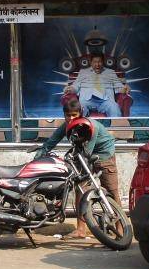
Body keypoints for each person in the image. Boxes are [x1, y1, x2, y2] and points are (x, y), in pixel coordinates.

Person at [34, 98, 122, 240]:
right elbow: (51, 142)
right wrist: (38, 156)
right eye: (68, 115)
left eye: (74, 115)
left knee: (111, 191)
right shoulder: (66, 126)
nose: (70, 118)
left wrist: (74, 161)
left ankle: (121, 229)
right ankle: (81, 229)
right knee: (80, 189)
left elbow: (87, 151)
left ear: (80, 113)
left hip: (104, 156)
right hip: (85, 156)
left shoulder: (89, 126)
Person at [66, 53, 128, 118]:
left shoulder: (110, 72)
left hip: (106, 101)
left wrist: (125, 89)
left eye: (99, 62)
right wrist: (70, 89)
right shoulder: (83, 72)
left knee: (114, 107)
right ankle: (80, 127)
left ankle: (116, 127)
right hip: (87, 100)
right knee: (80, 107)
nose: (97, 65)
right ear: (91, 62)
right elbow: (76, 86)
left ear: (103, 62)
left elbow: (118, 86)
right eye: (95, 62)